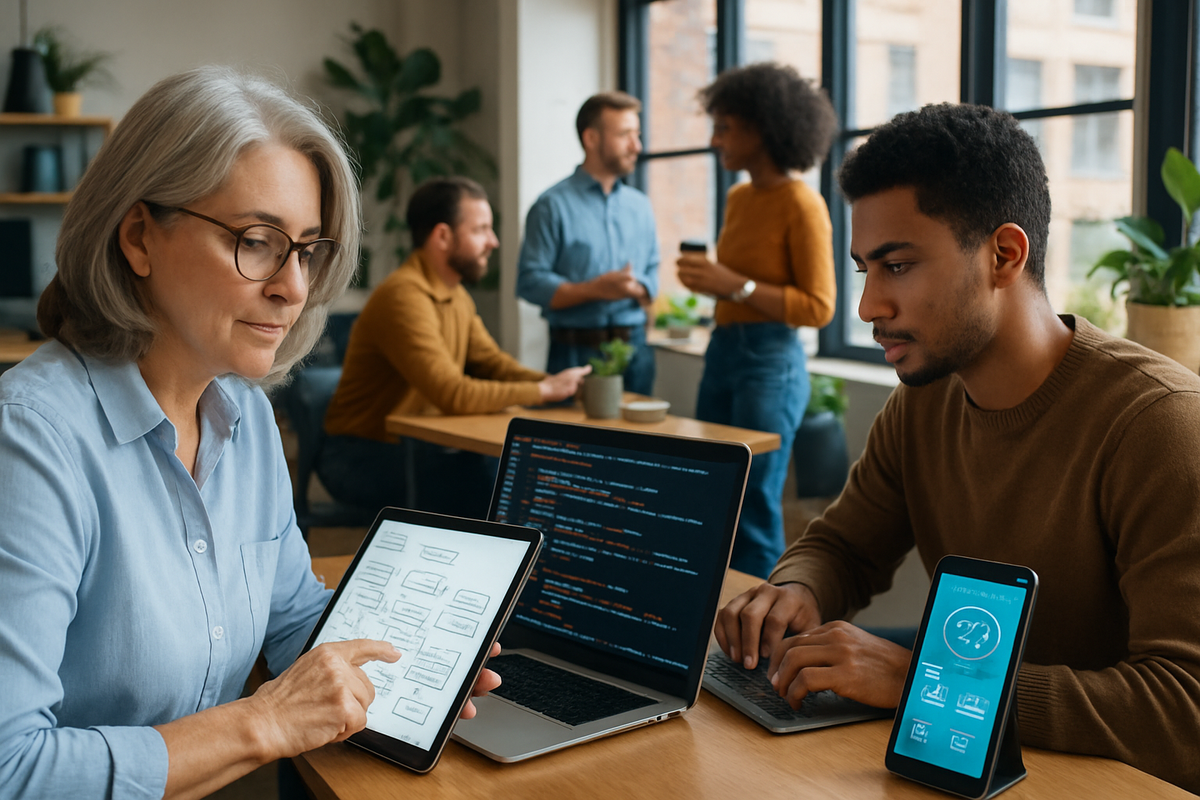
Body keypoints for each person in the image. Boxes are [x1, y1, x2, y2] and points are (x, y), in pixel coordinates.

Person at [0, 67, 500, 800]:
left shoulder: (245, 415)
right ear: (139, 238)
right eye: (258, 241)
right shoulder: (32, 441)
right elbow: (12, 768)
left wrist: (412, 660)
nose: (294, 287)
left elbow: (291, 611)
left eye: (306, 249)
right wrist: (262, 723)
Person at [714, 103, 1200, 793]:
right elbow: (844, 547)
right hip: (965, 745)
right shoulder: (923, 403)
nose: (869, 306)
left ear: (1004, 254)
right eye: (864, 271)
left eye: (899, 265)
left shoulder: (1162, 425)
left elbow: (1185, 710)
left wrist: (920, 680)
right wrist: (795, 591)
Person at [322, 176, 590, 518]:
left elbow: (493, 364)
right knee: (501, 486)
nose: (493, 242)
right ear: (443, 237)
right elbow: (452, 392)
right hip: (362, 457)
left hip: (421, 448)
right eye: (480, 230)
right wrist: (542, 390)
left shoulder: (455, 294)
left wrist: (559, 386)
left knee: (514, 477)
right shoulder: (403, 296)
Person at [676, 63, 838, 579]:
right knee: (710, 494)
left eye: (725, 127)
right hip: (723, 351)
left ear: (761, 129)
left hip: (770, 362)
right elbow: (735, 285)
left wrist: (732, 285)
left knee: (753, 506)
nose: (714, 138)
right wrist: (713, 284)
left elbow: (818, 306)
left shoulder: (802, 204)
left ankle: (754, 647)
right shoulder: (738, 198)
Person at [516, 90, 660, 396]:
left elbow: (653, 272)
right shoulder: (551, 205)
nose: (637, 146)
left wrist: (638, 287)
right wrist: (596, 289)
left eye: (637, 134)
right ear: (591, 139)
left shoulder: (641, 206)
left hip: (635, 349)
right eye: (624, 135)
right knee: (571, 443)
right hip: (574, 351)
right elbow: (530, 282)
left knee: (640, 444)